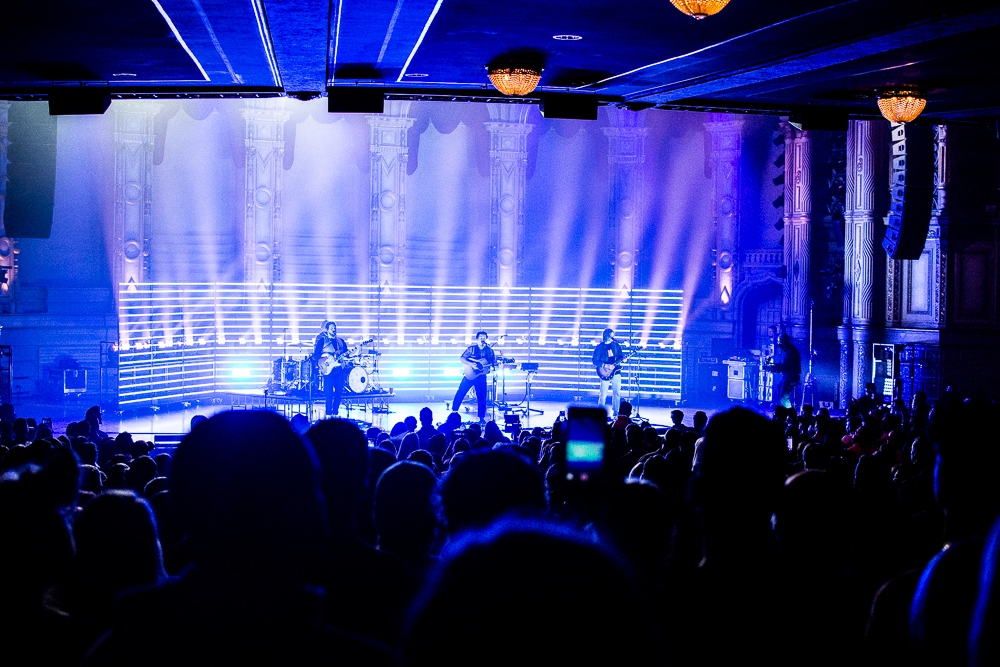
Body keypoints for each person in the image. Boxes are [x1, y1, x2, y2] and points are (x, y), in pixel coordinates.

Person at [451, 331, 496, 425]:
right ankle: (454, 412)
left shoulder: (489, 351)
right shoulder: (471, 349)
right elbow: (462, 358)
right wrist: (471, 364)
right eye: (481, 337)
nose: (482, 339)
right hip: (469, 374)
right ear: (477, 339)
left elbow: (492, 363)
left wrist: (493, 366)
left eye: (484, 338)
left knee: (482, 396)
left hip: (481, 376)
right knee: (461, 392)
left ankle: (481, 418)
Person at [312, 320, 349, 418]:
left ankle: (335, 413)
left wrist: (356, 351)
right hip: (328, 370)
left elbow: (347, 354)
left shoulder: (340, 341)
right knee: (328, 393)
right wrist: (324, 359)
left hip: (339, 369)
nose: (334, 330)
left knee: (339, 392)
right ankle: (328, 414)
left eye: (335, 328)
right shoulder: (322, 340)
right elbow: (316, 355)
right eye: (332, 328)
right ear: (327, 330)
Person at [592, 327, 624, 415]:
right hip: (605, 372)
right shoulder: (600, 347)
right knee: (603, 394)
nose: (612, 337)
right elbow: (595, 360)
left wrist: (623, 359)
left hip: (616, 372)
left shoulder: (616, 346)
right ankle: (600, 412)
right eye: (611, 335)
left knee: (617, 393)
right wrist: (604, 365)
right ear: (606, 336)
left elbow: (621, 356)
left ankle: (616, 411)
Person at [771, 332, 801, 409]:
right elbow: (783, 363)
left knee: (783, 397)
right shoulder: (786, 350)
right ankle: (783, 410)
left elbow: (787, 365)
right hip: (786, 376)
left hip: (791, 376)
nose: (779, 344)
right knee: (779, 389)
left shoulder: (791, 351)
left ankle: (790, 413)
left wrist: (775, 368)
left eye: (780, 342)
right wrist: (775, 366)